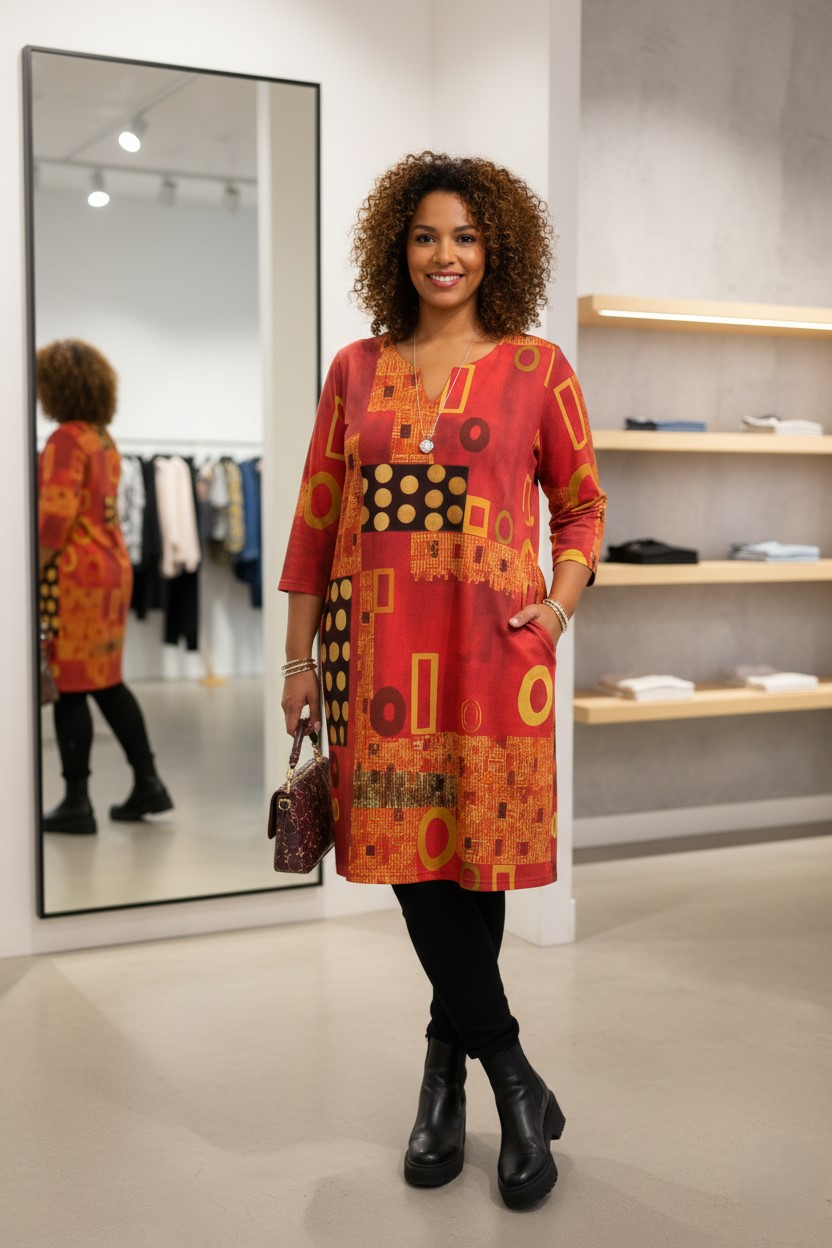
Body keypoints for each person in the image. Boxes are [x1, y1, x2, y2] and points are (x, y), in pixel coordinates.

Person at [279, 152, 606, 1210]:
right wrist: (298, 657)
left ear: (495, 249)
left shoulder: (538, 368)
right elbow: (315, 520)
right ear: (399, 248)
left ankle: (442, 1082)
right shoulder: (354, 369)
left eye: (465, 235)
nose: (445, 254)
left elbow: (583, 506)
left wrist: (556, 609)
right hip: (376, 659)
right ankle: (510, 1078)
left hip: (494, 660)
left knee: (476, 862)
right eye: (426, 235)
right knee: (414, 865)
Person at [37, 339, 173, 835]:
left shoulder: (65, 440)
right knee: (106, 681)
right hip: (110, 572)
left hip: (76, 578)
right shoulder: (102, 438)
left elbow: (54, 519)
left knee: (70, 687)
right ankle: (148, 782)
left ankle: (76, 802)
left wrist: (31, 573)